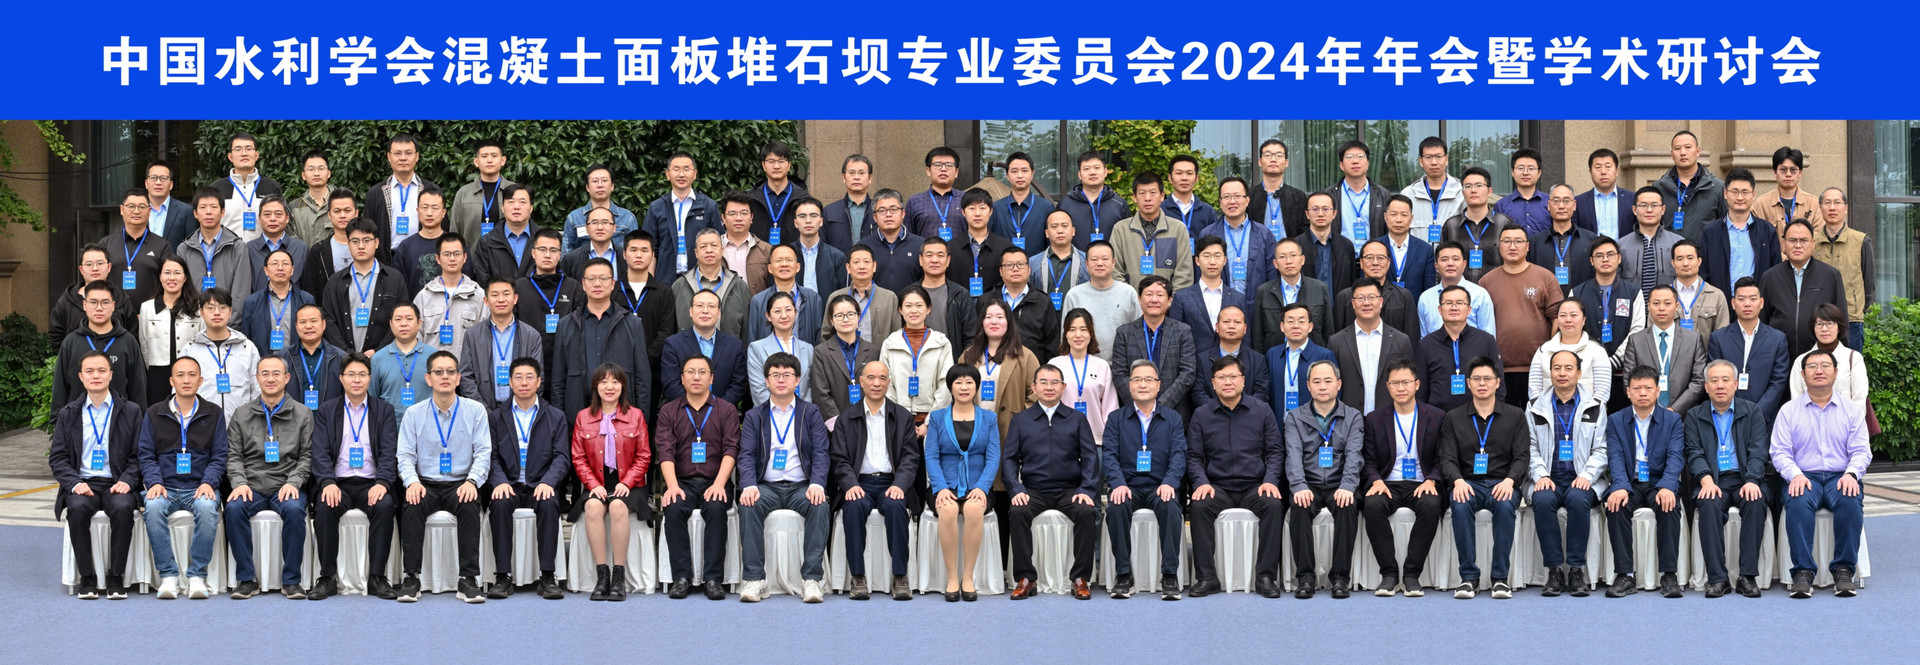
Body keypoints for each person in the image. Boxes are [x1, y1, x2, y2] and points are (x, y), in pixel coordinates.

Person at [1186, 353, 1289, 598]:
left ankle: (1265, 577)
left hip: (1254, 485)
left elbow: (1275, 451)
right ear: (1213, 383)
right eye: (1221, 377)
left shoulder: (1261, 411)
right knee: (1199, 506)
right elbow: (1193, 456)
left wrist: (1270, 481)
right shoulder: (1202, 414)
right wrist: (1201, 482)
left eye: (1233, 376)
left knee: (1273, 505)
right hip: (1217, 487)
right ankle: (1207, 578)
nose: (1228, 382)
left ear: (1243, 380)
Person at [1772, 348, 1871, 598]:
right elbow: (1780, 452)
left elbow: (1861, 451)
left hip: (1840, 476)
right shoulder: (1788, 411)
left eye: (1825, 366)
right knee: (1798, 501)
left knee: (1850, 500)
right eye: (1812, 366)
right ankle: (1803, 573)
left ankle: (1844, 571)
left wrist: (1851, 474)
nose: (1819, 371)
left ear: (1836, 373)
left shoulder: (1851, 410)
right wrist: (1795, 474)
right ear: (1803, 374)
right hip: (1805, 476)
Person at [395, 351, 492, 603]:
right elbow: (405, 455)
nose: (445, 376)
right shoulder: (414, 413)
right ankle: (411, 577)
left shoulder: (475, 411)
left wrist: (472, 481)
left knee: (470, 505)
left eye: (450, 372)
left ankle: (467, 579)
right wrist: (412, 482)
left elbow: (483, 452)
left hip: (461, 482)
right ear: (428, 379)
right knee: (411, 504)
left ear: (458, 378)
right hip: (425, 483)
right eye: (438, 372)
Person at [736, 352, 833, 603]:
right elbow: (746, 454)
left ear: (797, 380)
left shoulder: (810, 412)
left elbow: (821, 452)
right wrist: (749, 485)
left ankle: (811, 579)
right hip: (767, 487)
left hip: (802, 486)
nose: (781, 380)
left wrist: (817, 483)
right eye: (775, 375)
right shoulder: (754, 415)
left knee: (819, 505)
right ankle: (755, 579)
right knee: (748, 504)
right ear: (766, 381)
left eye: (787, 375)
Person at [48, 351, 144, 600]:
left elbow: (139, 456)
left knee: (123, 508)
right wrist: (74, 483)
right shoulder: (68, 413)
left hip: (116, 482)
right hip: (84, 483)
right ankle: (87, 577)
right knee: (77, 508)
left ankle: (116, 577)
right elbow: (58, 458)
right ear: (80, 377)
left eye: (101, 370)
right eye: (89, 371)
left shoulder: (131, 411)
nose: (96, 376)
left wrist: (127, 480)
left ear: (111, 375)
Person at [1001, 359, 1100, 601]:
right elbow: (1010, 459)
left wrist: (1086, 489)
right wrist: (1016, 489)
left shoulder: (1077, 419)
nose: (1049, 387)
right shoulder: (1021, 420)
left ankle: (1080, 578)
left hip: (1070, 490)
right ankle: (1026, 578)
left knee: (1087, 512)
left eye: (1054, 382)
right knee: (1017, 512)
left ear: (1063, 387)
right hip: (1034, 490)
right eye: (1043, 382)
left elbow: (1090, 457)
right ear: (1033, 387)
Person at [308, 352, 401, 601]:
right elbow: (319, 452)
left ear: (370, 378)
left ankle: (377, 577)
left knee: (384, 506)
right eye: (351, 374)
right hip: (339, 482)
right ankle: (327, 577)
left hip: (372, 481)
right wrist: (327, 482)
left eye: (362, 374)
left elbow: (389, 452)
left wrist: (383, 482)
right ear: (341, 378)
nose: (356, 380)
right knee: (325, 506)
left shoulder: (384, 410)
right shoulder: (327, 410)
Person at [1438, 357, 1529, 599]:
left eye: (1487, 378)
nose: (1482, 383)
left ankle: (1500, 578)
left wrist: (1510, 481)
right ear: (1468, 383)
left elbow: (1522, 457)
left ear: (1498, 382)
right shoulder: (1453, 417)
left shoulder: (1515, 415)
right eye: (1476, 379)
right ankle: (1469, 578)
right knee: (1460, 504)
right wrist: (1457, 481)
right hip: (1467, 482)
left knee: (1505, 505)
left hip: (1503, 482)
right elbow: (1447, 457)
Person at [222, 356, 313, 599]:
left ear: (287, 378)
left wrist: (294, 482)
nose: (270, 379)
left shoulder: (303, 413)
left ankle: (291, 580)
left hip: (286, 484)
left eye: (276, 373)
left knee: (294, 510)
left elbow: (306, 456)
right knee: (233, 509)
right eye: (265, 374)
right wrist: (239, 483)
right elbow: (234, 456)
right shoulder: (241, 415)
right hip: (251, 485)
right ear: (257, 378)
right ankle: (246, 579)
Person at [830, 359, 921, 601]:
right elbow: (839, 459)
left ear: (889, 382)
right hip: (859, 482)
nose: (876, 383)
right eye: (870, 377)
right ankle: (858, 576)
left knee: (896, 507)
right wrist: (850, 484)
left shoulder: (902, 416)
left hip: (891, 482)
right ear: (861, 382)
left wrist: (900, 485)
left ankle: (900, 576)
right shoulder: (846, 418)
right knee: (853, 507)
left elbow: (911, 457)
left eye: (882, 378)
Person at [137, 356, 227, 600]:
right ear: (171, 381)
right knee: (153, 507)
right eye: (180, 375)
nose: (186, 380)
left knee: (207, 508)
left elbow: (220, 455)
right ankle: (168, 575)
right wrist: (155, 482)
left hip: (199, 486)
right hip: (165, 486)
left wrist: (208, 482)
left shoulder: (214, 413)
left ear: (200, 380)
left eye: (191, 375)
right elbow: (146, 454)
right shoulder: (154, 413)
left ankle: (197, 575)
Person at [479, 356, 568, 600]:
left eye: (530, 377)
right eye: (518, 377)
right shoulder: (496, 417)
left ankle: (547, 576)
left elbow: (561, 457)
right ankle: (503, 576)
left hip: (541, 483)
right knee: (498, 505)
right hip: (509, 483)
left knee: (549, 504)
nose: (524, 382)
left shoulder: (555, 416)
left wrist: (549, 482)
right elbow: (490, 455)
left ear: (539, 381)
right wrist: (499, 481)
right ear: (509, 382)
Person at [655, 355, 741, 600]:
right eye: (690, 372)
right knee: (673, 507)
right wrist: (672, 486)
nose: (696, 377)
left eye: (702, 372)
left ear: (711, 378)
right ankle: (681, 577)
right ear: (682, 378)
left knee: (716, 508)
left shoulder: (726, 410)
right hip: (681, 481)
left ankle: (713, 579)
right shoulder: (669, 411)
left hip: (715, 480)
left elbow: (731, 449)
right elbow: (665, 451)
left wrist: (720, 484)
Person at [1100, 359, 1187, 600]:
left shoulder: (1173, 418)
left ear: (1158, 385)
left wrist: (1169, 482)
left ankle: (1169, 575)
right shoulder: (1116, 418)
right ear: (1129, 385)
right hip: (1128, 487)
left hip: (1161, 486)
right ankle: (1123, 575)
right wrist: (1118, 483)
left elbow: (1179, 455)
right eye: (1137, 379)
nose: (1143, 384)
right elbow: (1109, 454)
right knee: (1116, 508)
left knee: (1171, 508)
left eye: (1149, 379)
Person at [1360, 360, 1447, 597]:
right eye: (1395, 383)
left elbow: (1443, 457)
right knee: (1372, 505)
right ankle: (1388, 574)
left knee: (1431, 506)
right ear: (1388, 386)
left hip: (1422, 482)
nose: (1401, 388)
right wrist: (1376, 480)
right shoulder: (1374, 419)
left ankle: (1411, 575)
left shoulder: (1436, 416)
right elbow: (1368, 460)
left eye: (1406, 382)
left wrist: (1431, 480)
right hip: (1387, 483)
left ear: (1417, 384)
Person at [1526, 350, 1609, 597]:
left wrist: (1587, 476)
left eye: (1568, 368)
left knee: (1578, 499)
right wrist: (1540, 475)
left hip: (1582, 477)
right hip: (1548, 477)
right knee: (1542, 500)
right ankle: (1554, 571)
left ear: (1579, 373)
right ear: (1550, 372)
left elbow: (1602, 449)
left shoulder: (1595, 406)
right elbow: (1529, 447)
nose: (1562, 373)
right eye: (1557, 368)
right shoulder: (1534, 406)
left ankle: (1575, 570)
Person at [1686, 360, 1771, 598]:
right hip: (1713, 480)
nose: (1720, 385)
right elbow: (1694, 452)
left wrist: (1752, 480)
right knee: (1708, 504)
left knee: (1755, 502)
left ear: (1735, 384)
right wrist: (1705, 479)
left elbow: (1758, 450)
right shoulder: (1694, 415)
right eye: (1714, 381)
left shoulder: (1752, 411)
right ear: (1706, 387)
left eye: (1725, 380)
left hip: (1745, 478)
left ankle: (1747, 577)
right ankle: (1717, 578)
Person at [1282, 359, 1365, 598]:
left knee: (1347, 506)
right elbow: (1293, 455)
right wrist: (1299, 485)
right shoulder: (1295, 417)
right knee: (1299, 506)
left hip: (1340, 483)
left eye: (1328, 381)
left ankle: (1340, 577)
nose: (1322, 386)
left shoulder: (1353, 416)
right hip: (1308, 483)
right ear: (1308, 386)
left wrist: (1348, 486)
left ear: (1339, 384)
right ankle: (1305, 577)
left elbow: (1354, 455)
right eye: (1316, 381)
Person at [569, 363, 651, 602]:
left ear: (623, 386)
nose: (609, 387)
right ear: (595, 386)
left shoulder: (635, 415)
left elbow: (644, 456)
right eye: (603, 382)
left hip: (629, 484)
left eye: (615, 381)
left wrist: (627, 482)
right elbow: (578, 458)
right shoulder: (583, 417)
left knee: (617, 506)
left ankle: (618, 577)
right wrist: (593, 485)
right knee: (593, 507)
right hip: (597, 482)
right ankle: (602, 576)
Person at [1602, 366, 1686, 598]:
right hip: (1630, 482)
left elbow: (1675, 456)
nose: (1642, 393)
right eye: (1637, 388)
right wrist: (1620, 486)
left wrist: (1667, 486)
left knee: (1669, 506)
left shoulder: (1672, 420)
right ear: (1628, 392)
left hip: (1658, 482)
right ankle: (1625, 575)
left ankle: (1669, 574)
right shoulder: (1616, 420)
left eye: (1648, 388)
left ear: (1658, 391)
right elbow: (1615, 456)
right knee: (1615, 505)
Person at [922, 365, 998, 602]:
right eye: (958, 382)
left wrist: (982, 487)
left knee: (974, 508)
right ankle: (952, 578)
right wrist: (940, 487)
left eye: (969, 382)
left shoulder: (989, 418)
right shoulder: (936, 418)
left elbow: (993, 456)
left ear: (976, 387)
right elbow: (931, 456)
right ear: (950, 387)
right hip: (945, 484)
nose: (964, 387)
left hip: (977, 484)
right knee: (948, 509)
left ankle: (968, 578)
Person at [549, 259, 653, 415]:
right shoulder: (566, 325)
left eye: (603, 278)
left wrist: (642, 418)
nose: (597, 284)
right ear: (583, 284)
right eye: (591, 279)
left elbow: (642, 377)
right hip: (577, 414)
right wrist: (559, 421)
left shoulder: (632, 324)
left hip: (622, 415)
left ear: (612, 284)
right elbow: (558, 379)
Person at [1481, 226, 1559, 404]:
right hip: (1498, 368)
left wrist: (1549, 352)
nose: (1512, 246)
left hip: (1537, 367)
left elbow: (1557, 318)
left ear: (1528, 246)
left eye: (1518, 241)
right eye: (1507, 241)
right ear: (1499, 246)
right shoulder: (1486, 281)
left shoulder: (1545, 277)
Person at [1760, 221, 1848, 359]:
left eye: (1803, 240)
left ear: (1813, 243)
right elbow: (1762, 321)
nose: (1798, 245)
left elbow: (1842, 321)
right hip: (1779, 357)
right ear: (1784, 243)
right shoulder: (1770, 277)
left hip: (1819, 358)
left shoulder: (1830, 275)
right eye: (1792, 240)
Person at [1709, 277, 1793, 423]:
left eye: (1753, 299)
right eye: (1741, 299)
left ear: (1761, 303)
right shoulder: (1718, 338)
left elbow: (1779, 380)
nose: (1747, 304)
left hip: (1764, 419)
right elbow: (1715, 378)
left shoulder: (1777, 338)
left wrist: (1757, 412)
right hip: (1727, 417)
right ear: (1733, 303)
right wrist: (1733, 410)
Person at [51, 280, 146, 409]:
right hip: (78, 417)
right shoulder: (71, 342)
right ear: (84, 305)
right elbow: (60, 386)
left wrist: (139, 417)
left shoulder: (128, 342)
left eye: (105, 302)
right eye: (93, 302)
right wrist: (57, 417)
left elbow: (138, 388)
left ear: (113, 306)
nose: (99, 308)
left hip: (119, 417)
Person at [1110, 276, 1197, 416]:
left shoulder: (1182, 331)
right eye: (1149, 294)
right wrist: (1140, 405)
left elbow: (1188, 373)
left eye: (1160, 295)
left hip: (1173, 412)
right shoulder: (1124, 333)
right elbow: (1119, 374)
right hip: (1134, 413)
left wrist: (1160, 406)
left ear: (1169, 300)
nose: (1154, 300)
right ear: (1139, 299)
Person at [1618, 286, 1709, 413]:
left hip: (1683, 415)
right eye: (1656, 303)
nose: (1661, 308)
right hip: (1646, 413)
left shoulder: (1693, 339)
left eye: (1667, 303)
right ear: (1648, 306)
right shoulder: (1636, 340)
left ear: (1676, 306)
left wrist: (1674, 410)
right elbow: (1629, 380)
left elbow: (1699, 381)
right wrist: (1651, 410)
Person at [1328, 278, 1414, 414]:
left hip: (1388, 417)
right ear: (1353, 303)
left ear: (1381, 301)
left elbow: (1409, 381)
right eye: (1361, 298)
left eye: (1372, 297)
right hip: (1349, 419)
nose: (1366, 303)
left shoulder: (1401, 340)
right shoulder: (1336, 342)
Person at [320, 219, 407, 354]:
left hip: (385, 356)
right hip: (344, 358)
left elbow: (402, 318)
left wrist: (378, 351)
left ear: (376, 243)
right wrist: (346, 353)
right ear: (348, 244)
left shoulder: (394, 279)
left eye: (366, 241)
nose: (361, 246)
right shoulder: (335, 282)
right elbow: (329, 321)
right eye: (355, 241)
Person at [459, 278, 542, 412]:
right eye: (495, 295)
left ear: (515, 299)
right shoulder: (472, 335)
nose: (501, 299)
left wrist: (520, 408)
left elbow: (538, 376)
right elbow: (466, 376)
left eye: (506, 294)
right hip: (482, 412)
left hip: (520, 411)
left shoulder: (531, 335)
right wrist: (483, 410)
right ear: (486, 301)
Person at [1418, 286, 1503, 413]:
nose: (1454, 307)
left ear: (1469, 309)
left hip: (1478, 416)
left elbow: (1499, 384)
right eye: (1448, 303)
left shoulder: (1485, 341)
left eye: (1459, 303)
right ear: (1440, 309)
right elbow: (1421, 390)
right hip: (1439, 417)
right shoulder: (1426, 345)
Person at [514, 228, 585, 376]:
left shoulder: (573, 287)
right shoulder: (519, 287)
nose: (547, 255)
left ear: (560, 254)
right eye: (542, 249)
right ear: (533, 253)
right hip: (527, 364)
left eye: (553, 250)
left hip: (565, 363)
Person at [661, 289, 749, 407]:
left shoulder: (734, 346)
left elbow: (737, 385)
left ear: (719, 313)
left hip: (722, 413)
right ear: (691, 311)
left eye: (711, 306)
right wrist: (694, 408)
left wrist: (718, 410)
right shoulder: (673, 344)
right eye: (700, 306)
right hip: (684, 412)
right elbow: (671, 384)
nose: (705, 311)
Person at [640, 152, 722, 277]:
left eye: (686, 169)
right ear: (668, 174)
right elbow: (649, 249)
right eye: (676, 169)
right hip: (666, 279)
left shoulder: (708, 206)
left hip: (701, 278)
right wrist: (650, 282)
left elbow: (718, 246)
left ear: (695, 174)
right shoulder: (657, 208)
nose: (681, 174)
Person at [880, 286, 957, 419]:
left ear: (928, 309)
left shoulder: (941, 343)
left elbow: (945, 384)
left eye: (919, 305)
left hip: (933, 419)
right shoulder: (890, 343)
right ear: (900, 310)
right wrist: (899, 418)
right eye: (908, 306)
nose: (914, 310)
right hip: (898, 419)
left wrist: (930, 421)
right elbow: (885, 382)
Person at [1811, 188, 1874, 351]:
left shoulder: (1860, 240)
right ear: (1820, 208)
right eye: (1827, 203)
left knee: (1850, 364)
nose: (1832, 207)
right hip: (1818, 319)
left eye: (1837, 202)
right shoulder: (1811, 242)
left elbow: (1869, 283)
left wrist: (1859, 309)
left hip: (1851, 319)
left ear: (1845, 208)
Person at [138, 256, 205, 406]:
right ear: (160, 276)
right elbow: (144, 344)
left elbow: (201, 340)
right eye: (167, 273)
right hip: (157, 374)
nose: (172, 278)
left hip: (189, 374)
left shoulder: (197, 307)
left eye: (177, 273)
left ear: (185, 277)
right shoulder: (147, 308)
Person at [1701, 168, 1780, 295]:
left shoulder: (1766, 230)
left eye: (1745, 192)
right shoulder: (1711, 232)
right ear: (1725, 194)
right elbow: (1704, 272)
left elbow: (1776, 270)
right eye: (1734, 192)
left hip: (1757, 301)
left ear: (1753, 195)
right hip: (1721, 301)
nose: (1740, 197)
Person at [1111, 173, 1194, 291]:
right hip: (1131, 300)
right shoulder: (1121, 229)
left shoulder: (1178, 229)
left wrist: (1169, 299)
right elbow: (1114, 270)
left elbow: (1184, 273)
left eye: (1153, 192)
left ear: (1162, 196)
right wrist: (1131, 298)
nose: (1147, 198)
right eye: (1142, 193)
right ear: (1134, 197)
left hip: (1169, 301)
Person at [179, 288, 258, 413]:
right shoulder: (190, 350)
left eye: (222, 308)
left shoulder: (247, 348)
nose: (217, 313)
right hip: (203, 420)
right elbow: (180, 391)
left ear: (230, 312)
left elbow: (257, 389)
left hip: (241, 422)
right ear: (201, 312)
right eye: (210, 308)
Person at [1060, 241, 1142, 361]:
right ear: (1086, 264)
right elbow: (1066, 334)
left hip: (1122, 364)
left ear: (1113, 263)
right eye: (1094, 259)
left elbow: (1138, 332)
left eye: (1105, 259)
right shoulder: (1074, 295)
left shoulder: (1128, 293)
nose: (1099, 263)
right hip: (1084, 364)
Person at [1170, 235, 1249, 355]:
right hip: (1193, 361)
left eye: (1217, 256)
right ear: (1197, 261)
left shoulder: (1238, 298)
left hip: (1230, 362)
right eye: (1206, 256)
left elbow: (1246, 337)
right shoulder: (1182, 298)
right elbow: (1175, 338)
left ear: (1224, 260)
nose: (1212, 262)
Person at [1049, 309, 1121, 440]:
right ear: (1065, 334)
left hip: (1095, 439)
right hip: (1060, 439)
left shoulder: (1102, 366)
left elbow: (1110, 409)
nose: (1078, 335)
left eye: (1083, 329)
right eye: (1072, 330)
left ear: (1091, 333)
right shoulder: (1055, 365)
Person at [1200, 177, 1276, 297]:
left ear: (1247, 200)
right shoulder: (1207, 234)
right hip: (1218, 302)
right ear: (1220, 202)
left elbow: (1272, 275)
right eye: (1226, 197)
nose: (1232, 201)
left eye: (1237, 196)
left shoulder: (1264, 234)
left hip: (1256, 303)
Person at [616, 230, 678, 376]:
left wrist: (645, 360)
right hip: (616, 370)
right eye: (633, 250)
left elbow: (666, 332)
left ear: (652, 255)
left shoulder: (664, 292)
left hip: (654, 371)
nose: (639, 255)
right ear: (624, 254)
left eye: (644, 250)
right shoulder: (613, 291)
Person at [811, 295, 881, 424]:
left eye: (850, 314)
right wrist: (837, 423)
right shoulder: (821, 352)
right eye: (839, 315)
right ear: (831, 320)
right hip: (835, 425)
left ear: (858, 317)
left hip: (869, 421)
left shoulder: (873, 351)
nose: (845, 319)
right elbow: (820, 392)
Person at [1253, 238, 1333, 350]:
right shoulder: (1263, 291)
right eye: (1282, 257)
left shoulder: (1319, 288)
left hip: (1312, 356)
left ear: (1302, 259)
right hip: (1276, 356)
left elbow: (1328, 332)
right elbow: (1257, 336)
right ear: (1275, 263)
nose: (1288, 261)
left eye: (1293, 255)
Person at [364, 134, 439, 253]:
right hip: (387, 258)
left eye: (408, 153)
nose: (403, 158)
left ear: (417, 156)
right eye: (397, 153)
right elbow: (367, 231)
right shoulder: (376, 193)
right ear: (389, 157)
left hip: (423, 256)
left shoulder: (432, 190)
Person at [1528, 299, 1612, 404]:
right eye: (1563, 315)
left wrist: (1590, 411)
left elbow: (1602, 391)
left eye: (1573, 315)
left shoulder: (1597, 351)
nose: (1568, 320)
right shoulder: (1543, 350)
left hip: (1587, 411)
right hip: (1546, 410)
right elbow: (1534, 388)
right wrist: (1543, 410)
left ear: (1584, 319)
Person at [671, 227, 750, 339]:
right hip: (688, 349)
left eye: (714, 245)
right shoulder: (680, 285)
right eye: (703, 246)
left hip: (728, 349)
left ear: (722, 250)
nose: (709, 250)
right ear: (696, 253)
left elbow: (746, 329)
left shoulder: (738, 285)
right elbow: (672, 328)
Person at [50, 244, 135, 347]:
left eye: (100, 263)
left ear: (109, 267)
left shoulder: (121, 299)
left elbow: (132, 335)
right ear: (81, 269)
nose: (95, 268)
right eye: (89, 264)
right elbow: (55, 336)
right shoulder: (67, 300)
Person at [1439, 167, 1515, 283]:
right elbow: (1442, 263)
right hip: (1459, 291)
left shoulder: (1503, 223)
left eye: (1479, 185)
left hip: (1495, 289)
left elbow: (1513, 262)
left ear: (1490, 191)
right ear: (1463, 192)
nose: (1473, 190)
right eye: (1468, 186)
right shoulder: (1451, 225)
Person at [1788, 304, 1869, 411]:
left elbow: (1860, 401)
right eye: (1819, 324)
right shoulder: (1801, 361)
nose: (1824, 329)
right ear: (1813, 328)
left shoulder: (1853, 359)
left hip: (1846, 420)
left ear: (1839, 327)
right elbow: (1796, 401)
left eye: (1830, 323)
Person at [180, 187, 255, 301]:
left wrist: (231, 313)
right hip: (193, 311)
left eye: (214, 207)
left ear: (222, 212)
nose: (208, 212)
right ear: (195, 213)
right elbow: (181, 289)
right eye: (203, 207)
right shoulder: (184, 249)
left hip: (227, 311)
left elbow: (241, 291)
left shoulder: (237, 247)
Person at [1331, 240, 1419, 337]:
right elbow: (1337, 338)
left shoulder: (1404, 296)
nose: (1375, 263)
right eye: (1369, 258)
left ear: (1388, 262)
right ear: (1361, 262)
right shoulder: (1344, 297)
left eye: (1381, 258)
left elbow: (1411, 337)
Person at [206, 132, 282, 244]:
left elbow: (281, 222)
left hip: (262, 251)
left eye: (248, 149)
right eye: (238, 149)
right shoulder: (216, 188)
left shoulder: (271, 187)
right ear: (230, 157)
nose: (244, 153)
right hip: (226, 250)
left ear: (256, 155)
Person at [106, 186, 174, 307]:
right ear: (122, 209)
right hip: (113, 314)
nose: (136, 211)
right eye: (131, 206)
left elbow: (170, 282)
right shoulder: (106, 244)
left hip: (151, 314)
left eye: (142, 207)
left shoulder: (162, 246)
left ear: (149, 211)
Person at [1267, 303, 1339, 415]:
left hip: (1314, 422)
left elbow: (1334, 394)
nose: (1296, 326)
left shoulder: (1324, 355)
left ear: (1310, 326)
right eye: (1290, 321)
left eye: (1301, 321)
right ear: (1282, 326)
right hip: (1279, 420)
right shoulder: (1272, 354)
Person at [1654, 131, 1725, 244]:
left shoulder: (1717, 187)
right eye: (1677, 149)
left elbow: (1725, 226)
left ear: (1698, 151)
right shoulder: (1659, 188)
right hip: (1670, 253)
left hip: (1705, 253)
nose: (1683, 153)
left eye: (1688, 147)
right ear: (1672, 154)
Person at [237, 249, 312, 354]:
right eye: (274, 264)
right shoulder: (252, 302)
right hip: (263, 360)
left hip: (297, 360)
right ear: (266, 270)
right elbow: (246, 338)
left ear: (292, 270)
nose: (280, 268)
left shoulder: (306, 299)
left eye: (285, 264)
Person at [1415, 241, 1497, 336]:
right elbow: (1424, 338)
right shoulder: (1426, 298)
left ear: (1464, 264)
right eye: (1444, 259)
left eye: (1455, 259)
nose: (1450, 263)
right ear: (1436, 267)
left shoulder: (1480, 295)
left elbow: (1488, 336)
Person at [1191, 306, 1269, 407]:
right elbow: (1198, 393)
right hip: (1212, 415)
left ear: (1245, 328)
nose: (1231, 326)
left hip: (1248, 414)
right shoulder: (1203, 359)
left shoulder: (1257, 359)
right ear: (1217, 327)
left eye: (1237, 322)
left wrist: (1241, 410)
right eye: (1226, 322)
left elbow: (1262, 392)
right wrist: (1220, 410)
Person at [993, 246, 1059, 363]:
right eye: (1009, 265)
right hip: (995, 367)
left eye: (1020, 264)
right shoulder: (988, 300)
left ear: (1029, 269)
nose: (1015, 269)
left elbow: (1052, 344)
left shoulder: (1043, 302)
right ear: (1000, 271)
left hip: (1033, 368)